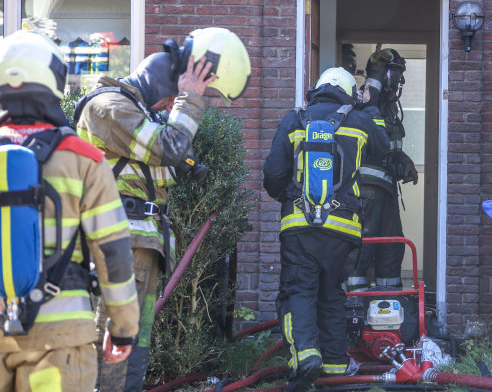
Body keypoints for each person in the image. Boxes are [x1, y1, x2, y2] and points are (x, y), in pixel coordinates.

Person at [74, 28, 251, 392]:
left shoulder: (135, 113)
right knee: (112, 343)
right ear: (157, 85)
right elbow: (169, 146)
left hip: (137, 245)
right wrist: (190, 98)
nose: (171, 108)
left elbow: (165, 157)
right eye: (170, 99)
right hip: (117, 243)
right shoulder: (108, 108)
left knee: (133, 348)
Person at [0, 30, 139, 392]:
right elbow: (113, 251)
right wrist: (123, 329)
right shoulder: (84, 158)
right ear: (55, 80)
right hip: (60, 339)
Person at [263, 67, 390, 392]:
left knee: (298, 290)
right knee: (332, 293)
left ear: (316, 90)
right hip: (343, 229)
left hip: (299, 227)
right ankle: (333, 368)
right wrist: (370, 107)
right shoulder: (360, 121)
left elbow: (273, 178)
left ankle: (306, 357)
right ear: (348, 94)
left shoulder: (294, 120)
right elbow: (383, 147)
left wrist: (294, 198)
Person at [346, 47, 418, 291]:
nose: (397, 80)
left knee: (391, 247)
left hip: (386, 189)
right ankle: (355, 305)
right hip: (366, 190)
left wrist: (404, 161)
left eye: (399, 74)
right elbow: (369, 141)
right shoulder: (364, 100)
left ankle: (390, 302)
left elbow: (390, 147)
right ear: (379, 73)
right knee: (362, 248)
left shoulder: (388, 107)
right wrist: (374, 83)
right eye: (392, 73)